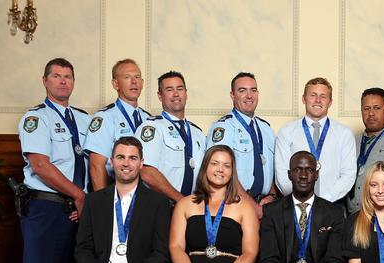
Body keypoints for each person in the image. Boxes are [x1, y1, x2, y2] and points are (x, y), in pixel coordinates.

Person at [17, 57, 90, 263]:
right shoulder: (36, 119)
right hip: (46, 209)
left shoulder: (86, 120)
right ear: (44, 81)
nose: (63, 81)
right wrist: (78, 196)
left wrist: (87, 203)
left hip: (78, 209)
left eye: (68, 76)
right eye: (57, 76)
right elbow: (40, 165)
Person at [275, 77, 357, 203]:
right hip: (295, 205)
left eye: (323, 96)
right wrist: (301, 200)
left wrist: (323, 203)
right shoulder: (286, 132)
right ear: (304, 99)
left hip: (332, 205)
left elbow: (348, 174)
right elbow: (282, 174)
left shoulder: (344, 134)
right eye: (313, 95)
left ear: (330, 102)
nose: (318, 100)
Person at [206, 72, 276, 209]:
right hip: (234, 204)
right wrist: (250, 205)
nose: (249, 96)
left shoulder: (266, 128)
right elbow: (219, 173)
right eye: (242, 90)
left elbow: (273, 169)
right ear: (232, 95)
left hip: (266, 205)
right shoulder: (223, 128)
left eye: (253, 90)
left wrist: (272, 196)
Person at [137, 71, 206, 202]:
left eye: (180, 89)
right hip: (162, 207)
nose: (176, 94)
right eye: (169, 89)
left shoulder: (198, 133)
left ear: (186, 93)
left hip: (194, 208)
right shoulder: (152, 128)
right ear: (160, 95)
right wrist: (181, 201)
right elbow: (146, 172)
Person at [84, 59, 152, 191]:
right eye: (127, 77)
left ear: (142, 83)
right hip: (116, 190)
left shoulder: (148, 120)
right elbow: (96, 166)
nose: (134, 82)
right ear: (116, 84)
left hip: (145, 195)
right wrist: (104, 204)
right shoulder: (105, 117)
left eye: (137, 77)